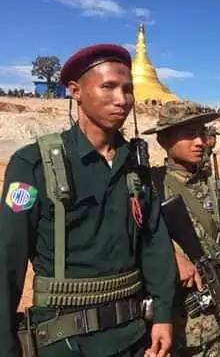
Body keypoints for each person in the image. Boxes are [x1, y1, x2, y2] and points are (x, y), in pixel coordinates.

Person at [0, 44, 175, 357]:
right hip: (66, 344)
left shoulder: (135, 167)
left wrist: (162, 315)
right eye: (108, 87)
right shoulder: (34, 165)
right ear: (75, 91)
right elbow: (7, 261)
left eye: (128, 89)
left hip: (133, 338)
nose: (122, 99)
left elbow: (154, 243)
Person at [144, 101, 220, 357]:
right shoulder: (150, 187)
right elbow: (135, 238)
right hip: (172, 325)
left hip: (214, 321)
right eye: (189, 134)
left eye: (201, 133)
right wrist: (171, 257)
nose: (200, 142)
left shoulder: (216, 187)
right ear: (164, 140)